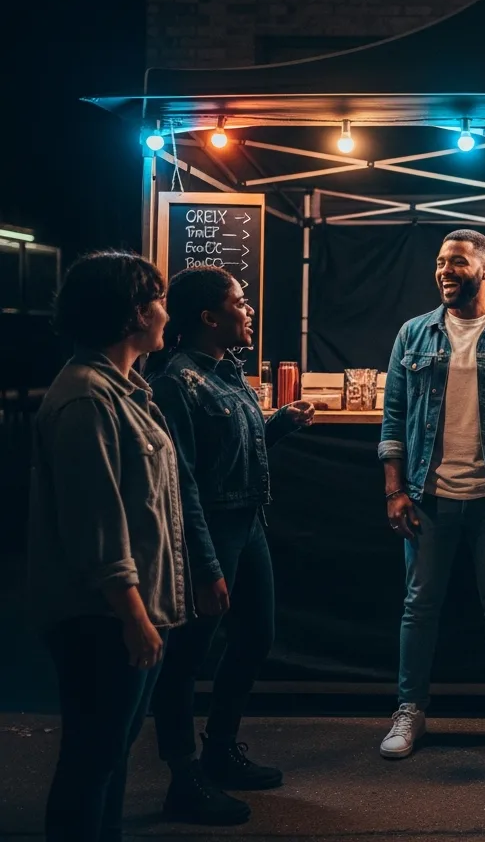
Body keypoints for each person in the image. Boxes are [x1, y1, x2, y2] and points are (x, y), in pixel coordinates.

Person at [145, 266, 314, 826]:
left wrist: (281, 422)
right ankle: (182, 777)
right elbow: (184, 481)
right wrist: (205, 564)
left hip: (248, 523)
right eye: (240, 303)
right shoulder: (176, 383)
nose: (250, 311)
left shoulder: (227, 372)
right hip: (211, 532)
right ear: (208, 317)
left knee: (256, 636)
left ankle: (220, 749)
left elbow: (239, 444)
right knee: (186, 659)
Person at [378, 229, 485, 761]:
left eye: (456, 262)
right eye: (439, 262)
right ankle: (409, 710)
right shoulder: (413, 334)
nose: (444, 271)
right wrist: (394, 491)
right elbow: (393, 419)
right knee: (418, 606)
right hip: (427, 497)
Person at [28, 250, 186, 842]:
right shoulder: (86, 399)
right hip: (101, 618)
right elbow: (98, 523)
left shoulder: (123, 390)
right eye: (159, 300)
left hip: (125, 612)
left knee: (111, 757)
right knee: (92, 761)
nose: (166, 313)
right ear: (134, 313)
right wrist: (135, 617)